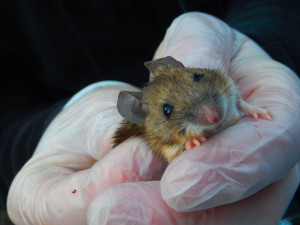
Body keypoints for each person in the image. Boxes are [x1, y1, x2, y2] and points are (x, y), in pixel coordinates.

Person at [1, 0, 300, 224]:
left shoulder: (217, 80)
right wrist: (37, 138)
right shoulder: (160, 130)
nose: (211, 114)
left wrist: (266, 50)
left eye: (197, 78)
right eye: (169, 110)